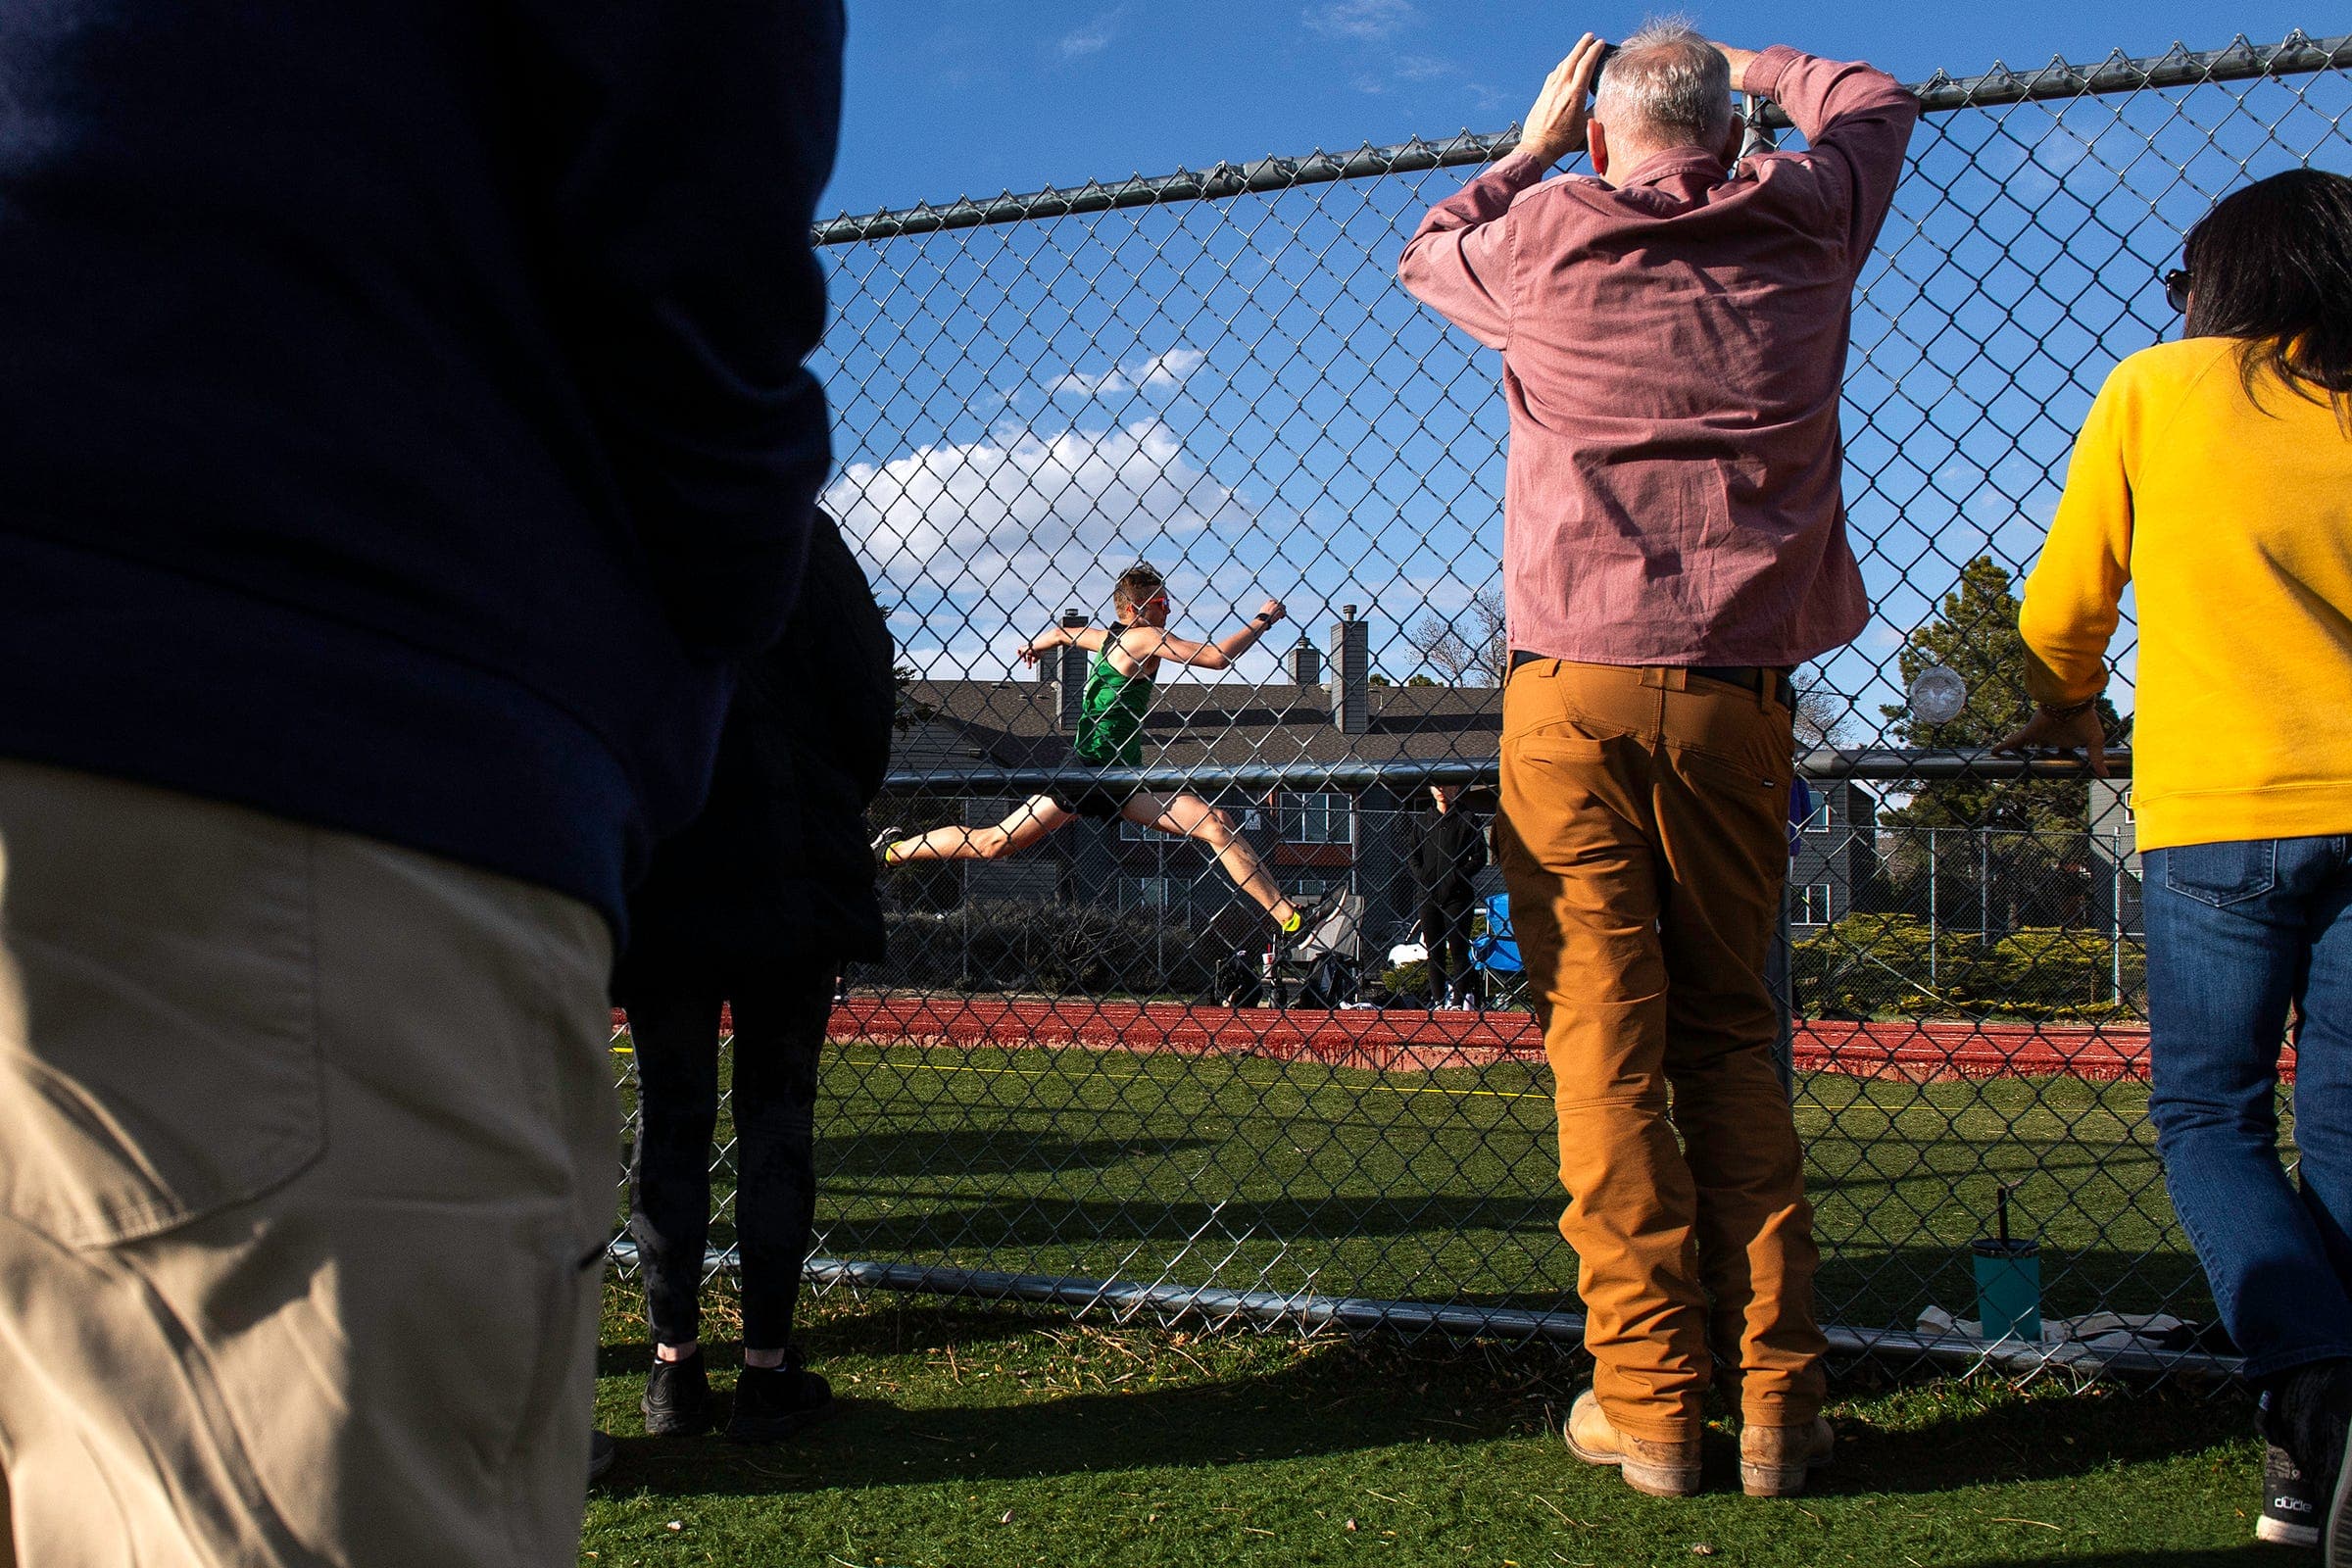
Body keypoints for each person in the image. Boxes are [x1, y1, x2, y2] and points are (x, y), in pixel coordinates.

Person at [0, 4, 843, 1564]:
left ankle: (684, 1357)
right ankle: (734, 1353)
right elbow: (700, 191)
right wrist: (666, 669)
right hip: (305, 699)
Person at [1399, 21, 1916, 1498]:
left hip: (1570, 694)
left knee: (1604, 1053)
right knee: (1728, 1043)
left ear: (1609, 134)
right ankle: (1777, 1408)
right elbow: (1875, 98)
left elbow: (1428, 245)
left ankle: (1647, 1405)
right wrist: (1755, 63)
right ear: (1729, 124)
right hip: (1739, 697)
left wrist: (1536, 144)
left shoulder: (1547, 233)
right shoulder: (1811, 214)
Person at [2001, 169, 2352, 1563]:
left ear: (2222, 282)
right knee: (2342, 1133)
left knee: (2209, 1120)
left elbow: (2063, 607)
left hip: (2224, 807)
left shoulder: (2159, 388)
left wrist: (2072, 705)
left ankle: (2313, 1394)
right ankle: (2307, 1468)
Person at [618, 513, 894, 1445]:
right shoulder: (800, 535)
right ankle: (766, 1371)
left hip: (671, 851)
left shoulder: (630, 527)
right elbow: (866, 699)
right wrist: (820, 788)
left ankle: (672, 1371)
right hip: (789, 843)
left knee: (673, 1110)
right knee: (777, 1111)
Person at [879, 565, 1328, 944]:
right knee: (994, 843)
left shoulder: (1108, 637)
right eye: (1160, 604)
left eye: (1168, 603)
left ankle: (1290, 918)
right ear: (1135, 610)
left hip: (1121, 778)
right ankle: (889, 853)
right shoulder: (1141, 640)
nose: (1168, 610)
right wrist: (1263, 619)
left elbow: (1064, 632)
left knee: (1216, 825)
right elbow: (1214, 658)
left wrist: (1038, 644)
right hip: (1089, 772)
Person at [1413, 785, 1491, 1009]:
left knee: (1458, 948)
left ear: (1456, 788)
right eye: (1436, 785)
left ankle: (1458, 1001)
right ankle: (1438, 1000)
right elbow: (1413, 856)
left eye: (1446, 785)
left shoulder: (1468, 819)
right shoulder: (1423, 820)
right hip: (1428, 895)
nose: (1441, 790)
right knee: (1434, 949)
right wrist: (1424, 878)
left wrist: (1456, 877)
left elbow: (1479, 856)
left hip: (1458, 896)